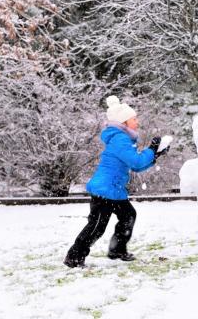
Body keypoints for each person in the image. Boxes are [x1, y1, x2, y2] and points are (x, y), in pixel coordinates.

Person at [64, 95, 168, 268]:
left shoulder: (123, 139)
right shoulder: (120, 139)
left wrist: (155, 154)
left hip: (115, 190)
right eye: (134, 119)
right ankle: (74, 257)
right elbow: (136, 162)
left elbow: (135, 166)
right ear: (124, 122)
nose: (137, 122)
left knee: (128, 216)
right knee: (97, 226)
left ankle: (117, 250)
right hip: (104, 190)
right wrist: (151, 149)